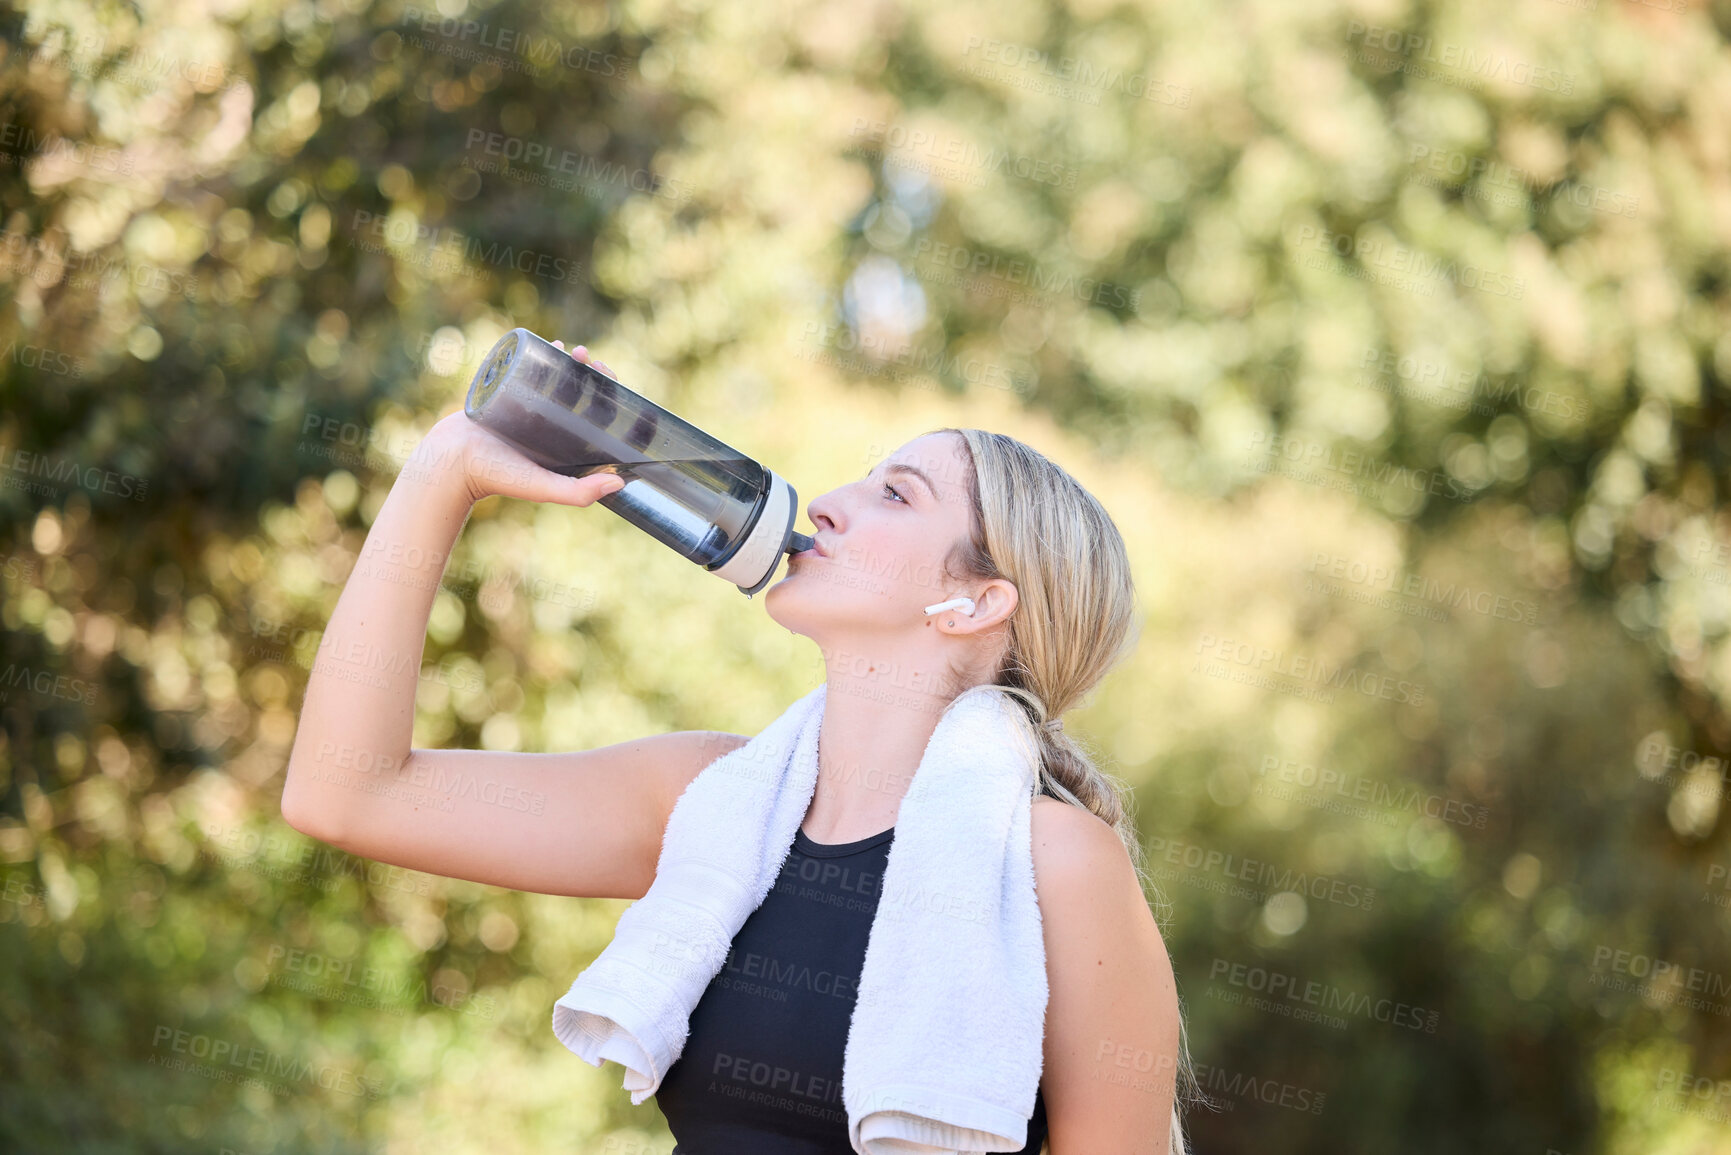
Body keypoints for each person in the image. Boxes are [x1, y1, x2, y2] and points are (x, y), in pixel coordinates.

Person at [282, 339, 1200, 1154]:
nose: (831, 505)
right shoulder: (710, 801)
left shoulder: (1054, 861)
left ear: (974, 603)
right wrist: (446, 471)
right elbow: (345, 793)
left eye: (893, 494)